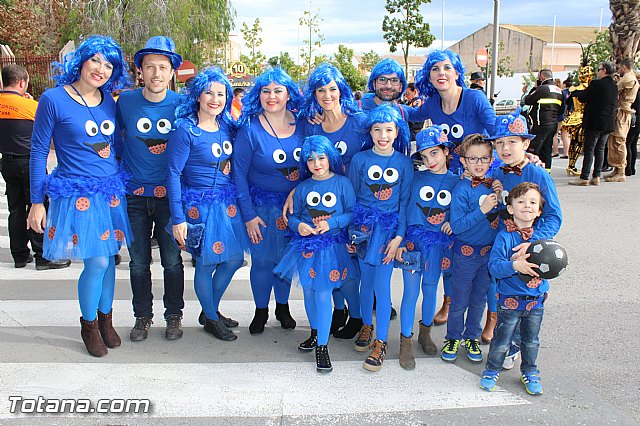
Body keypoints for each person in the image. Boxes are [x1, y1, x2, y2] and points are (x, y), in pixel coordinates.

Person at [27, 35, 132, 357]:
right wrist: (35, 201)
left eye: (108, 64)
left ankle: (106, 319)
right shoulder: (53, 99)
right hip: (75, 193)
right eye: (96, 60)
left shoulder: (108, 101)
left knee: (110, 260)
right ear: (82, 60)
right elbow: (38, 150)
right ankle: (88, 324)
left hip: (110, 192)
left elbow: (115, 147)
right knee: (97, 260)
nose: (101, 69)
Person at [413, 49, 496, 328]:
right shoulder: (433, 103)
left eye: (446, 68)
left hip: (483, 181)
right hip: (455, 185)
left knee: (490, 251)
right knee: (452, 246)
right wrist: (371, 104)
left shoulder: (474, 98)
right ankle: (449, 301)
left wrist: (524, 155)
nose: (441, 73)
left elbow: (496, 129)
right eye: (435, 69)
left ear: (457, 71)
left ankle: (491, 315)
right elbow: (409, 112)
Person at [167, 67, 248, 341]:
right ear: (198, 96)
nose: (215, 98)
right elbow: (173, 174)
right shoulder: (185, 130)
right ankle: (212, 318)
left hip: (227, 205)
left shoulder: (228, 127)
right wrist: (178, 218)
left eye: (221, 93)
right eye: (209, 92)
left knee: (234, 259)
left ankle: (208, 309)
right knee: (204, 264)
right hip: (198, 207)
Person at [115, 36, 185, 341]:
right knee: (139, 262)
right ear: (140, 71)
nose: (156, 73)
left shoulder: (183, 105)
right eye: (150, 67)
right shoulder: (125, 102)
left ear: (172, 72)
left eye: (163, 67)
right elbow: (112, 140)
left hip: (170, 198)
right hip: (134, 197)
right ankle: (142, 316)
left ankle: (174, 316)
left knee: (172, 260)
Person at [486, 109, 562, 369]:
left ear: (526, 144)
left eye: (512, 141)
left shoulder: (539, 175)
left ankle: (517, 343)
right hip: (504, 244)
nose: (505, 148)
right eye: (499, 142)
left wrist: (534, 241)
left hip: (530, 250)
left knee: (528, 304)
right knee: (503, 297)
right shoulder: (497, 173)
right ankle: (505, 338)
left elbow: (554, 217)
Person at [295, 63, 365, 338]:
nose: (327, 95)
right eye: (321, 90)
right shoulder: (312, 127)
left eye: (332, 89)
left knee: (350, 266)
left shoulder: (359, 122)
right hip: (325, 207)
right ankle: (338, 311)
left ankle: (358, 316)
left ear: (341, 90)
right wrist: (293, 191)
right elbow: (307, 167)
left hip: (356, 203)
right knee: (329, 262)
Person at [274, 135, 355, 372]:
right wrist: (297, 225)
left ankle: (322, 346)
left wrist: (333, 223)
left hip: (331, 248)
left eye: (321, 158)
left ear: (330, 157)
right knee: (309, 292)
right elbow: (294, 215)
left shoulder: (342, 183)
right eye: (310, 160)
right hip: (307, 248)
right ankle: (315, 331)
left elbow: (351, 212)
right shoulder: (302, 187)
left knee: (322, 293)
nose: (316, 163)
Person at [233, 67, 304, 334]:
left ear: (288, 95)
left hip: (295, 209)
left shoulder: (304, 124)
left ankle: (283, 307)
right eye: (266, 91)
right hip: (260, 207)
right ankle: (261, 310)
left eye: (278, 91)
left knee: (286, 259)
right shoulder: (249, 129)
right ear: (258, 95)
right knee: (262, 261)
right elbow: (238, 175)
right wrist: (249, 215)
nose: (271, 96)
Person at [348, 104, 413, 371]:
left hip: (388, 233)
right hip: (363, 231)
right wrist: (351, 234)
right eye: (377, 129)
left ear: (397, 132)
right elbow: (351, 198)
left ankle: (382, 341)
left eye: (388, 129)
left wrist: (399, 237)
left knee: (382, 287)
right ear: (370, 132)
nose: (383, 135)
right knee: (365, 282)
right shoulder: (359, 160)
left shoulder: (404, 162)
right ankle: (366, 325)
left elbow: (405, 203)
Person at [395, 126, 458, 370]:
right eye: (424, 156)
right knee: (410, 293)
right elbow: (402, 208)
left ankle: (425, 333)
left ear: (445, 151)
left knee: (431, 290)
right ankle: (405, 341)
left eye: (434, 153)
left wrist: (453, 222)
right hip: (413, 243)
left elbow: (462, 208)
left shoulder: (457, 181)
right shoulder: (414, 178)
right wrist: (399, 239)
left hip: (438, 246)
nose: (429, 160)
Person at [480, 182, 548, 396]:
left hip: (536, 299)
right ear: (510, 208)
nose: (526, 206)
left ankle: (530, 370)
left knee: (531, 340)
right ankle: (491, 369)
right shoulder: (504, 236)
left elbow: (552, 265)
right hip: (510, 299)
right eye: (520, 202)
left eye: (532, 202)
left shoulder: (543, 239)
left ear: (538, 211)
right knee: (502, 339)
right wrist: (514, 265)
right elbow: (494, 266)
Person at [0, 64, 71, 270]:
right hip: (30, 163)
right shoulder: (33, 107)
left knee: (16, 209)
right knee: (38, 206)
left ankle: (20, 255)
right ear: (22, 83)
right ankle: (43, 255)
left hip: (7, 162)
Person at [441, 134, 501, 364]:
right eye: (472, 159)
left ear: (491, 160)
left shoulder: (495, 183)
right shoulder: (462, 189)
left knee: (479, 300)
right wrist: (483, 209)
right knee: (459, 300)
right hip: (465, 254)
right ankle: (453, 336)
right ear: (463, 162)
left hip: (488, 254)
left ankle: (472, 337)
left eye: (484, 159)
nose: (478, 164)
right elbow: (457, 226)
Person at [568, 61, 618, 186]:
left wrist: (574, 93)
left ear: (604, 71)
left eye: (599, 69)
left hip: (595, 121)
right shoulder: (614, 85)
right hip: (607, 122)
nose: (597, 72)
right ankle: (596, 176)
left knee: (589, 149)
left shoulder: (597, 84)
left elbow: (584, 97)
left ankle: (584, 177)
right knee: (600, 149)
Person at [604, 58, 639, 182]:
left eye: (619, 68)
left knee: (619, 141)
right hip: (619, 111)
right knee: (613, 141)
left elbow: (615, 90)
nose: (619, 70)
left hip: (623, 112)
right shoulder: (627, 78)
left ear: (624, 67)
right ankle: (616, 168)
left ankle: (621, 171)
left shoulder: (628, 78)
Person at [523, 69, 564, 170]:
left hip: (541, 124)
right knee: (546, 151)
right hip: (553, 124)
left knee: (533, 150)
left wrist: (535, 88)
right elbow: (561, 110)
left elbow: (527, 100)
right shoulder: (559, 91)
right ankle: (547, 172)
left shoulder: (542, 89)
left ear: (542, 77)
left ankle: (531, 172)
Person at [625, 73, 640, 177]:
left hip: (634, 119)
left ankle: (628, 168)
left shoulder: (636, 92)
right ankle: (632, 168)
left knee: (628, 144)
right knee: (633, 144)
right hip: (638, 121)